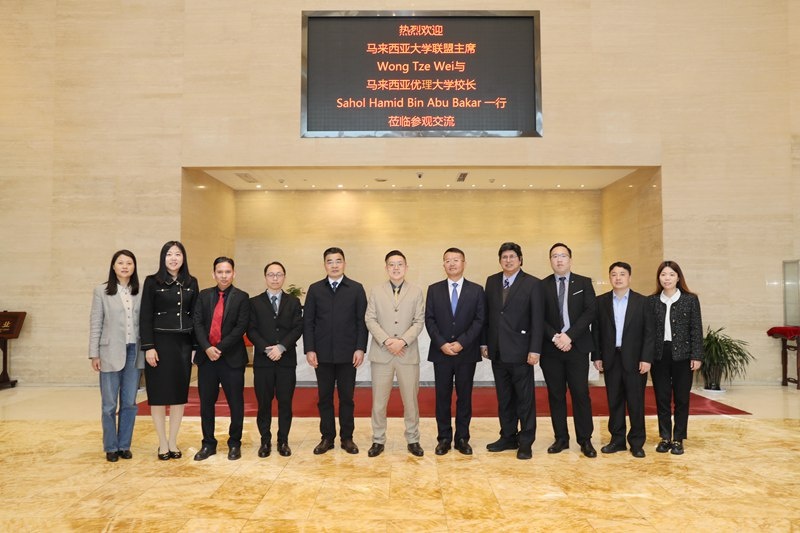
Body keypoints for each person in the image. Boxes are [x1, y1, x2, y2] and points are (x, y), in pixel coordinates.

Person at [481, 242, 544, 460]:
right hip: (497, 351)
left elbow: (538, 319)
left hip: (522, 352)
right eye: (504, 257)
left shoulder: (533, 283)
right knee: (505, 398)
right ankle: (508, 436)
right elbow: (487, 316)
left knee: (525, 400)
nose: (508, 260)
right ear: (500, 260)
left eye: (512, 257)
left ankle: (526, 442)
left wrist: (535, 349)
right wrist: (484, 343)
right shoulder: (492, 281)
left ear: (520, 259)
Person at [304, 247, 368, 455]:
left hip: (348, 354)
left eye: (338, 261)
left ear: (344, 263)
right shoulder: (315, 289)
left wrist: (360, 348)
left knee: (347, 398)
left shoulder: (356, 289)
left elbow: (361, 322)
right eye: (330, 261)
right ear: (324, 265)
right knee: (324, 398)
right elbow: (308, 322)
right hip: (322, 354)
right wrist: (309, 349)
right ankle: (327, 437)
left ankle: (347, 438)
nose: (334, 265)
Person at [140, 241, 198, 460]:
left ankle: (173, 441)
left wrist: (194, 347)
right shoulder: (152, 282)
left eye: (178, 254)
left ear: (184, 258)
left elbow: (196, 316)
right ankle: (162, 443)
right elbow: (145, 316)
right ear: (163, 258)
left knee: (178, 396)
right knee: (158, 396)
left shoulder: (191, 282)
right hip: (159, 344)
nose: (174, 258)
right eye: (169, 254)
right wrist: (148, 347)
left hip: (183, 345)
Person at [365, 250, 426, 458]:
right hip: (382, 354)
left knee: (411, 401)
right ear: (386, 268)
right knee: (379, 401)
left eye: (400, 264)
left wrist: (402, 342)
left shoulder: (416, 291)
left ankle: (413, 439)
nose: (396, 268)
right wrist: (387, 341)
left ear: (406, 267)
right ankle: (378, 439)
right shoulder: (376, 291)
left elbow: (419, 321)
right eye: (392, 264)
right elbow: (370, 319)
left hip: (407, 354)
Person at [425, 247, 485, 456]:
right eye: (448, 260)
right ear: (443, 264)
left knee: (464, 397)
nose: (452, 263)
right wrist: (442, 343)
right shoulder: (434, 289)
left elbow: (479, 320)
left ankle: (462, 438)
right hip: (440, 352)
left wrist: (462, 343)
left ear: (464, 263)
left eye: (456, 260)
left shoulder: (476, 290)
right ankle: (443, 438)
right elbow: (429, 320)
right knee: (442, 397)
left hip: (466, 353)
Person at [540, 242, 597, 458]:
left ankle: (585, 439)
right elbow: (538, 316)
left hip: (577, 347)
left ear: (570, 259)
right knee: (556, 395)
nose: (559, 259)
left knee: (580, 394)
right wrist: (556, 336)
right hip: (551, 348)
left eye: (563, 255)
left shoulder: (583, 282)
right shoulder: (542, 285)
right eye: (555, 256)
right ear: (550, 260)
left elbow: (590, 312)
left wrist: (569, 336)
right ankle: (561, 438)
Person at [592, 262, 654, 458]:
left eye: (622, 274)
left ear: (629, 277)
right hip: (611, 359)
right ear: (610, 277)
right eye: (614, 274)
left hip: (635, 360)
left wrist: (646, 358)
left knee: (636, 403)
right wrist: (597, 356)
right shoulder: (600, 301)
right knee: (615, 402)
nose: (618, 278)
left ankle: (637, 442)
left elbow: (649, 333)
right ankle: (617, 440)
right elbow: (596, 332)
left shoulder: (642, 302)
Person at [192, 257, 250, 461]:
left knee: (236, 403)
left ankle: (234, 443)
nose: (224, 276)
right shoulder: (204, 295)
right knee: (206, 403)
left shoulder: (242, 297)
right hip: (207, 359)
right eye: (220, 272)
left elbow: (241, 327)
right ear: (213, 274)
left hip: (231, 358)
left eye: (227, 272)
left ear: (234, 273)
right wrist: (207, 348)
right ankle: (208, 443)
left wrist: (219, 348)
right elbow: (197, 323)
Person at [88, 249, 142, 462]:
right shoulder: (101, 291)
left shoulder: (140, 291)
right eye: (121, 262)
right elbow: (96, 323)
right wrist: (94, 354)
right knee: (109, 404)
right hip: (109, 352)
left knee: (129, 402)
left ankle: (124, 445)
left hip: (134, 351)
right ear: (113, 266)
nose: (125, 266)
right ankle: (111, 446)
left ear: (134, 267)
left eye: (129, 263)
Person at [247, 261, 303, 458]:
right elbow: (251, 329)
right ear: (265, 277)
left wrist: (281, 347)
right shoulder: (254, 302)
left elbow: (298, 328)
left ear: (284, 277)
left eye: (279, 274)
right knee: (264, 403)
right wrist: (266, 348)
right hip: (263, 362)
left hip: (286, 361)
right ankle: (265, 441)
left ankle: (283, 441)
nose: (275, 278)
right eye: (271, 274)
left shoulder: (293, 302)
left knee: (285, 403)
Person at [649, 260, 704, 455]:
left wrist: (696, 355)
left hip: (683, 355)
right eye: (663, 274)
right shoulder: (652, 301)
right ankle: (665, 437)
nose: (667, 278)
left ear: (678, 277)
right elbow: (647, 332)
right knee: (662, 397)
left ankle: (678, 438)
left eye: (671, 274)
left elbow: (696, 329)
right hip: (659, 355)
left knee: (682, 398)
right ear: (659, 278)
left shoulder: (690, 300)